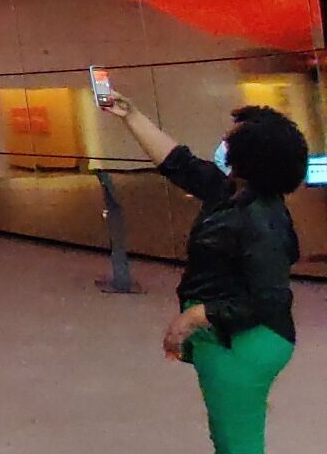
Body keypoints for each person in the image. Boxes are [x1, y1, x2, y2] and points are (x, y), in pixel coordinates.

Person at [102, 93, 306, 454]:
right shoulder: (229, 191)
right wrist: (130, 115)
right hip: (227, 339)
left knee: (237, 444)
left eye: (231, 139)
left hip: (242, 343)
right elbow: (178, 163)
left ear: (250, 158)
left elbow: (268, 299)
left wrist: (196, 317)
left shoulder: (262, 220)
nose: (223, 142)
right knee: (229, 436)